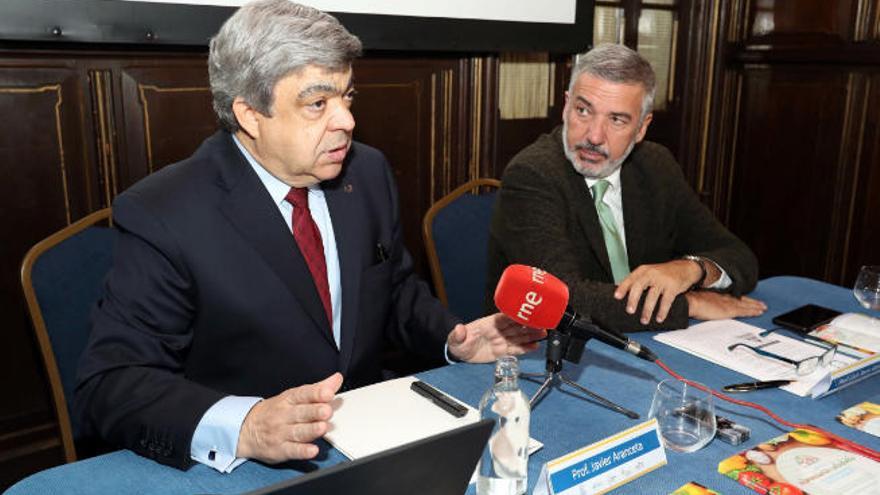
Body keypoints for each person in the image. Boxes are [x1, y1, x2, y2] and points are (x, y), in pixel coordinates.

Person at [74, 0, 545, 472]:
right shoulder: (167, 213)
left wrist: (450, 337)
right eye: (318, 103)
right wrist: (245, 426)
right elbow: (111, 383)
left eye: (347, 97)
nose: (346, 121)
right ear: (250, 115)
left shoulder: (367, 172)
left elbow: (393, 288)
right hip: (248, 466)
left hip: (370, 436)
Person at [486, 44, 767, 333]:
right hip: (545, 350)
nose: (594, 136)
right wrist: (690, 304)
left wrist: (692, 269)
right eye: (583, 111)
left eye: (617, 119)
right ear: (566, 105)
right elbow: (564, 300)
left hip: (645, 339)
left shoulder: (655, 165)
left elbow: (739, 258)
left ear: (642, 127)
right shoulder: (533, 174)